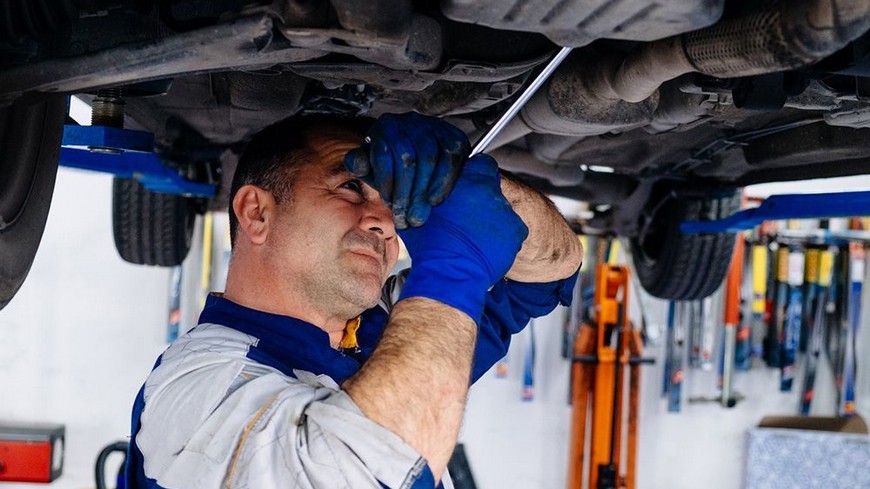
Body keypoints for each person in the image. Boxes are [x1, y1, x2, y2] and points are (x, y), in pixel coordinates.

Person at [125, 112, 583, 488]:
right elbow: (368, 471)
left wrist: (472, 185)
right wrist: (453, 268)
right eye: (350, 187)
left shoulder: (382, 328)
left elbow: (550, 270)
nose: (386, 221)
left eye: (394, 202)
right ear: (256, 212)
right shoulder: (200, 385)